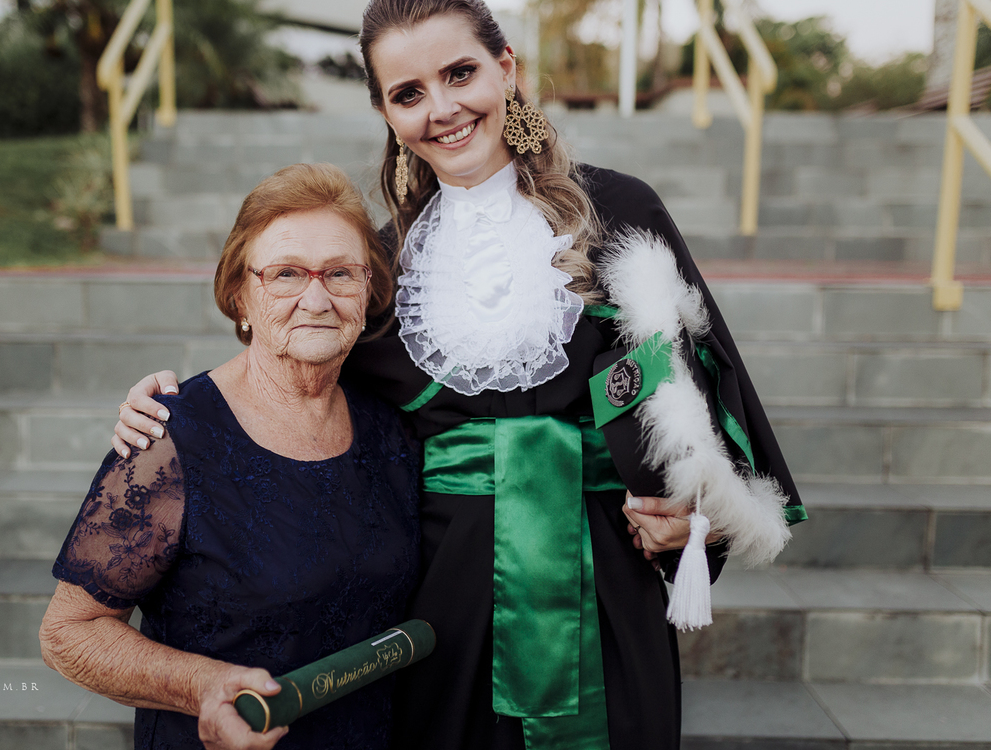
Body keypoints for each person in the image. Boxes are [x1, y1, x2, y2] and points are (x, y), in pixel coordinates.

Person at [111, 1, 806, 748]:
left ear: (506, 69)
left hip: (603, 587)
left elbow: (702, 403)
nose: (441, 109)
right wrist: (178, 409)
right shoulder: (384, 264)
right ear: (384, 110)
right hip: (439, 603)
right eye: (408, 93)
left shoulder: (620, 213)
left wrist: (693, 518)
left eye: (461, 73)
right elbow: (298, 377)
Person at [40, 163, 420, 750]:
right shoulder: (170, 437)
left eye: (340, 273)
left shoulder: (390, 428)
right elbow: (69, 633)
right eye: (286, 274)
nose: (316, 297)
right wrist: (203, 687)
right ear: (240, 295)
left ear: (368, 291)